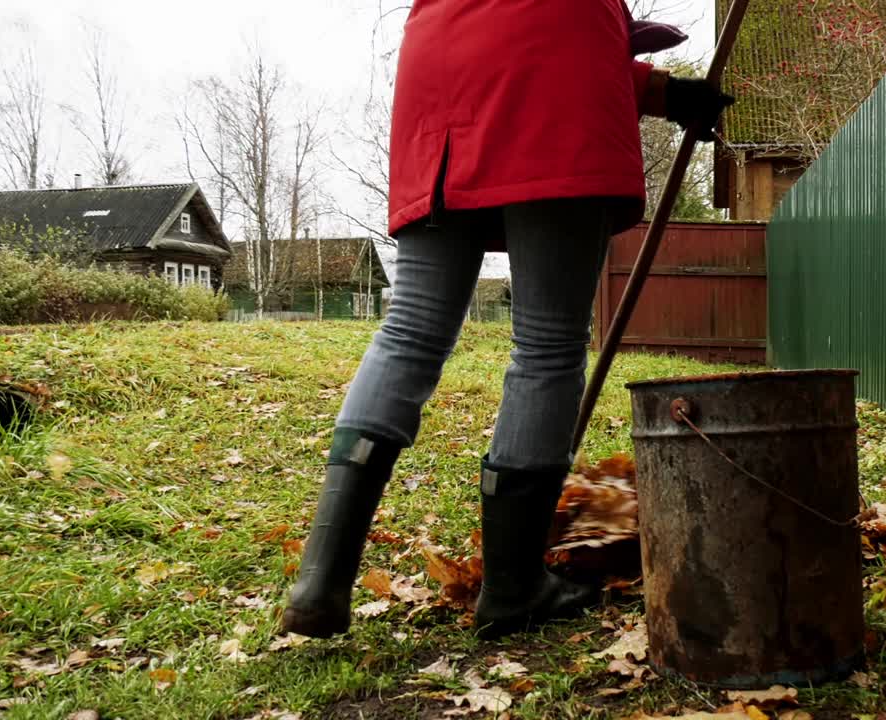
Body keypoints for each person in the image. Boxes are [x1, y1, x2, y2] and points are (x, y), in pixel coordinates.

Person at [282, 0, 733, 640]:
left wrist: (664, 92)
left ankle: (320, 579)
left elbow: (524, 39)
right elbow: (561, 44)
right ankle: (513, 588)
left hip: (443, 77)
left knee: (410, 328)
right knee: (547, 344)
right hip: (560, 87)